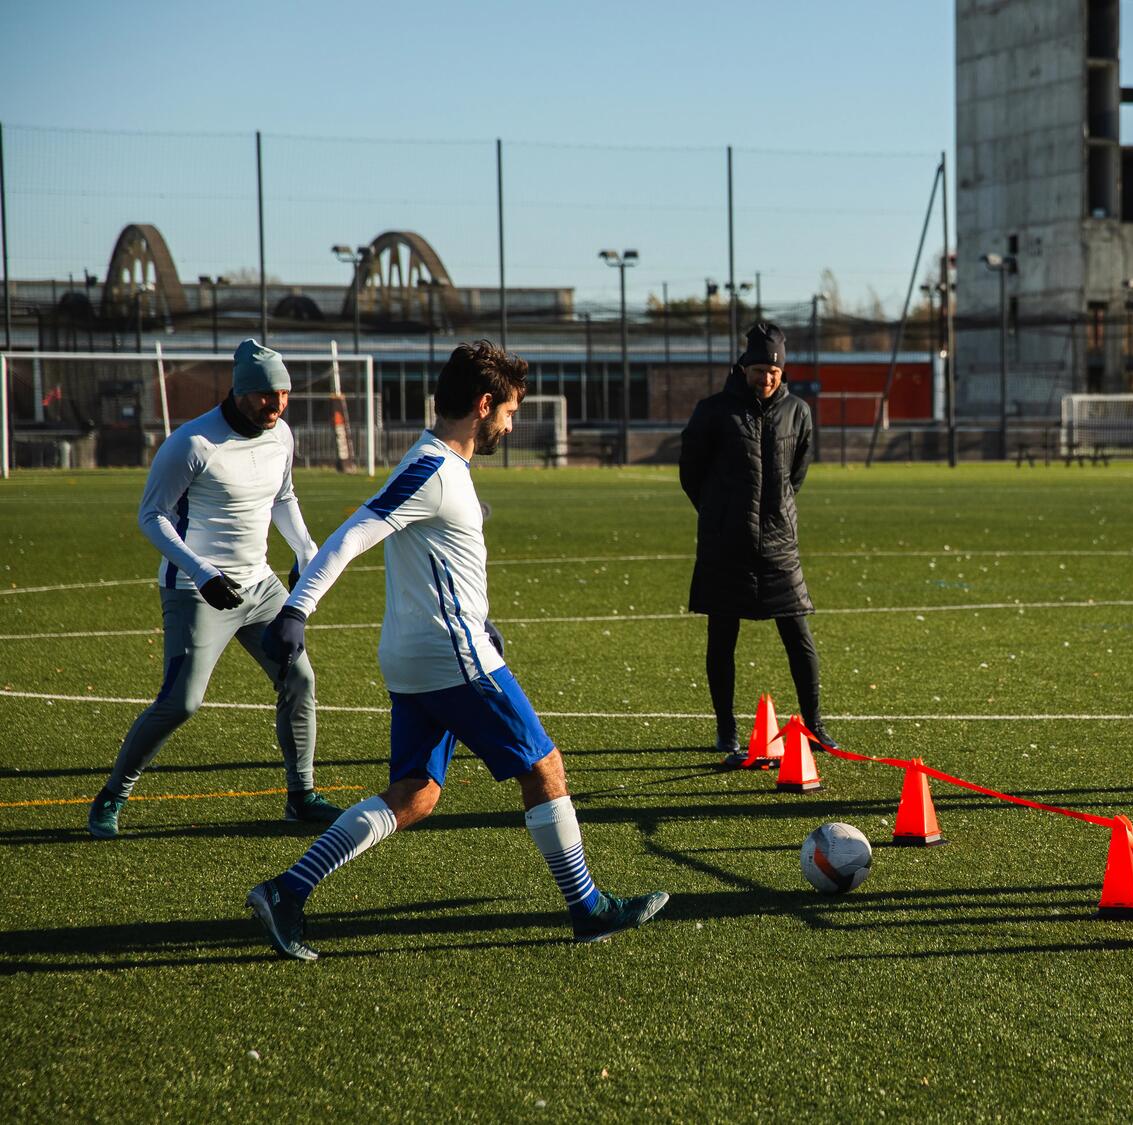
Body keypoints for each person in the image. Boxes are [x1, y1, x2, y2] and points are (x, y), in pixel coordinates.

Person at [246, 341, 668, 960]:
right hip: (451, 657)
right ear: (483, 403)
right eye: (510, 411)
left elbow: (442, 563)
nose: (512, 424)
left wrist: (482, 617)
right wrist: (296, 609)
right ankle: (589, 909)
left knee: (416, 793)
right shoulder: (433, 469)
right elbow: (350, 536)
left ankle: (287, 891)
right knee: (544, 768)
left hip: (421, 654)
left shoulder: (440, 467)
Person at [88, 339, 339, 838]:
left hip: (261, 587)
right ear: (241, 392)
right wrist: (202, 572)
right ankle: (112, 795)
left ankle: (301, 795)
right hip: (195, 590)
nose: (277, 405)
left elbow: (283, 496)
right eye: (268, 396)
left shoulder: (281, 434)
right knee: (182, 702)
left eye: (284, 394)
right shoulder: (193, 443)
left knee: (300, 681)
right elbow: (151, 516)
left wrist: (306, 549)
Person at [679, 322, 832, 762]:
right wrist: (719, 514)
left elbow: (796, 472)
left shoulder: (798, 412)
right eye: (759, 369)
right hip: (725, 544)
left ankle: (816, 726)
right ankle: (726, 730)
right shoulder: (712, 410)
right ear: (744, 368)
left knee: (799, 634)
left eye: (774, 371)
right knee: (721, 637)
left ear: (783, 373)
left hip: (780, 544)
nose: (766, 378)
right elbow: (692, 471)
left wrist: (776, 513)